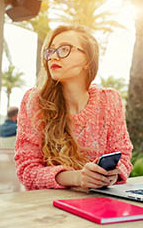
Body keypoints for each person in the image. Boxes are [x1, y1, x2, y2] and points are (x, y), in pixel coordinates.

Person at [14, 25, 133, 191]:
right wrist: (77, 178)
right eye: (50, 51)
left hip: (100, 201)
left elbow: (124, 157)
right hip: (48, 209)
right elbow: (27, 170)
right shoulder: (34, 101)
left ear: (87, 60)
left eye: (64, 49)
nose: (53, 57)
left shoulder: (109, 100)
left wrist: (113, 174)